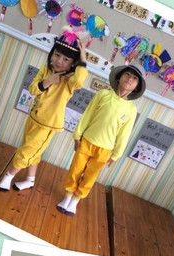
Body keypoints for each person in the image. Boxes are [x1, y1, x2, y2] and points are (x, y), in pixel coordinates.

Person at [0, 29, 87, 192]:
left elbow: (80, 79)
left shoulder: (70, 81)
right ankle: (30, 180)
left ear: (73, 64)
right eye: (57, 55)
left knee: (26, 153)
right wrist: (48, 80)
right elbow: (33, 89)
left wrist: (83, 59)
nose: (59, 61)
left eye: (66, 59)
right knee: (33, 151)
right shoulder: (46, 70)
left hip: (48, 126)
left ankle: (8, 176)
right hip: (33, 118)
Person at [57, 62, 145, 216]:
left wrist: (116, 154)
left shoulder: (131, 109)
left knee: (90, 177)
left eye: (134, 78)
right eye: (127, 74)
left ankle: (75, 201)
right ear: (119, 77)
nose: (130, 79)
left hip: (104, 150)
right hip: (86, 141)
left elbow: (124, 134)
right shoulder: (103, 95)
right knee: (75, 170)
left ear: (137, 87)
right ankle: (67, 197)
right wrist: (77, 135)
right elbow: (88, 115)